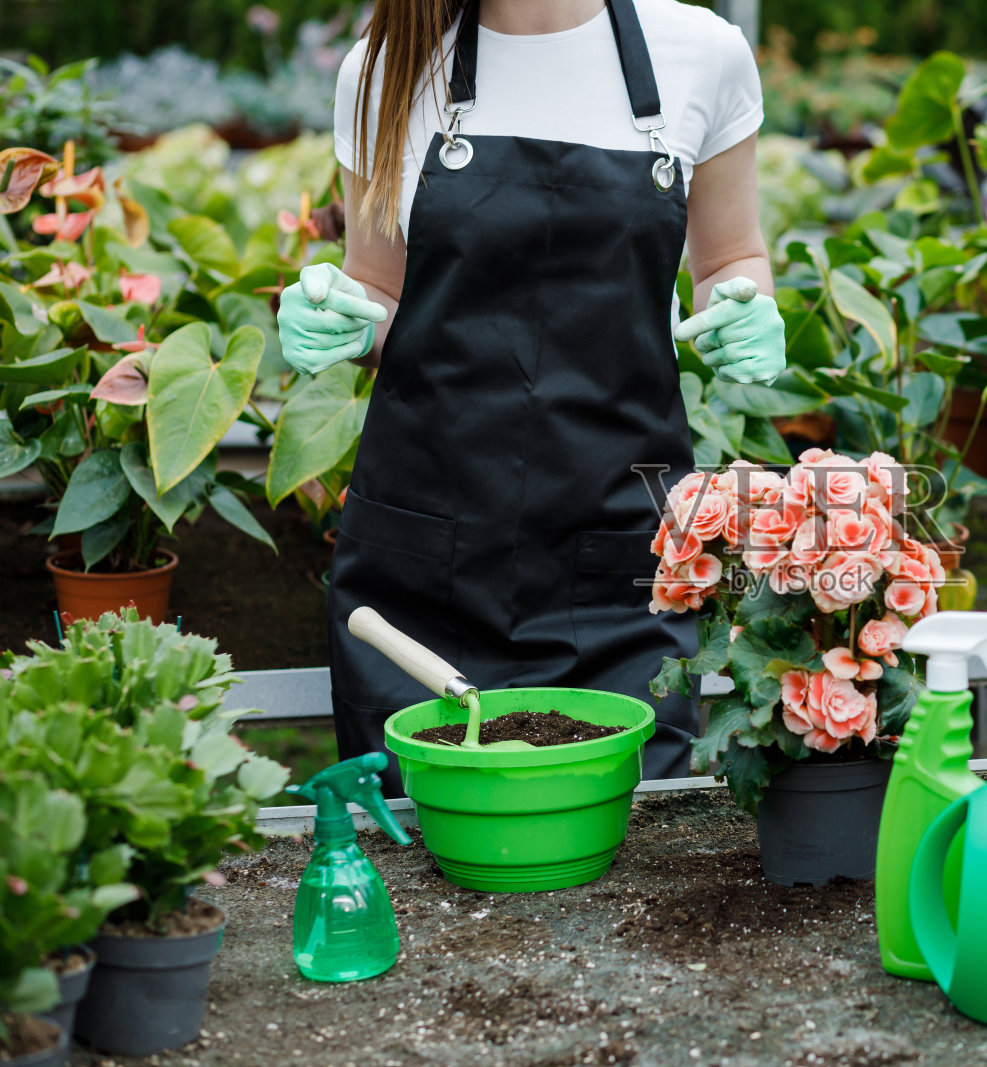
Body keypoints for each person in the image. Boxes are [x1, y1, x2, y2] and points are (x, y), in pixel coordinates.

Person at [276, 0, 785, 793]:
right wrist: (339, 317)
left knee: (625, 867)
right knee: (423, 878)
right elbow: (378, 282)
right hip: (423, 579)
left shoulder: (702, 53)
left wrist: (744, 303)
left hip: (623, 571)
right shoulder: (388, 65)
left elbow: (731, 256)